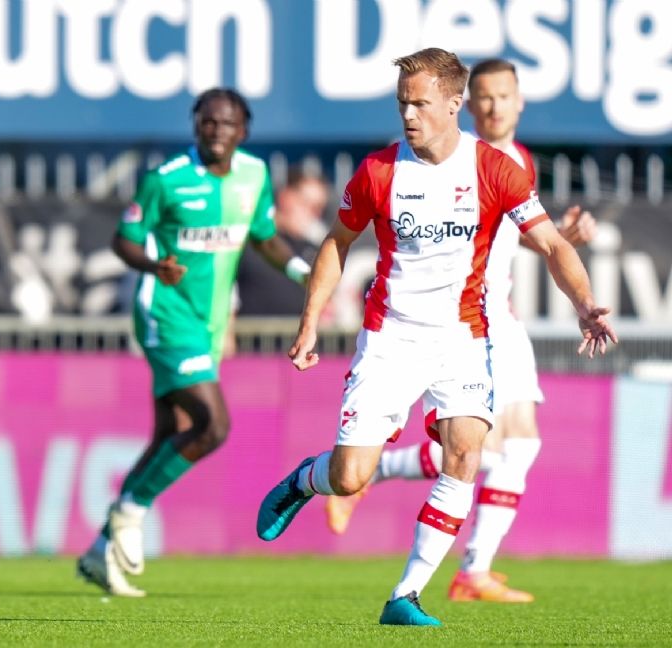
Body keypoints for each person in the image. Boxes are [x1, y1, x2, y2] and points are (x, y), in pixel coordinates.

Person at [254, 48, 616, 626]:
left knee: (467, 452)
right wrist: (309, 322)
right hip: (391, 339)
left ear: (452, 104)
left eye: (420, 103)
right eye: (403, 102)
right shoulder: (379, 171)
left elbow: (551, 243)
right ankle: (305, 480)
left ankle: (407, 595)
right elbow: (336, 243)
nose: (408, 114)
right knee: (350, 476)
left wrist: (585, 304)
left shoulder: (495, 169)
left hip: (463, 337)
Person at [77, 88, 312, 597]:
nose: (216, 131)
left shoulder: (253, 176)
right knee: (213, 424)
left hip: (207, 323)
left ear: (243, 131)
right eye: (207, 121)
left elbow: (264, 236)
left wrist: (304, 272)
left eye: (226, 123)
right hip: (164, 312)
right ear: (195, 124)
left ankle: (101, 549)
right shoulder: (166, 179)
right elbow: (123, 239)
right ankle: (129, 512)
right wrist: (152, 264)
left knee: (172, 431)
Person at [235, 167, 330, 317]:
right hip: (247, 331)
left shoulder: (315, 252)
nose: (313, 214)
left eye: (319, 208)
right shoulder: (249, 244)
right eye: (306, 203)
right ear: (285, 197)